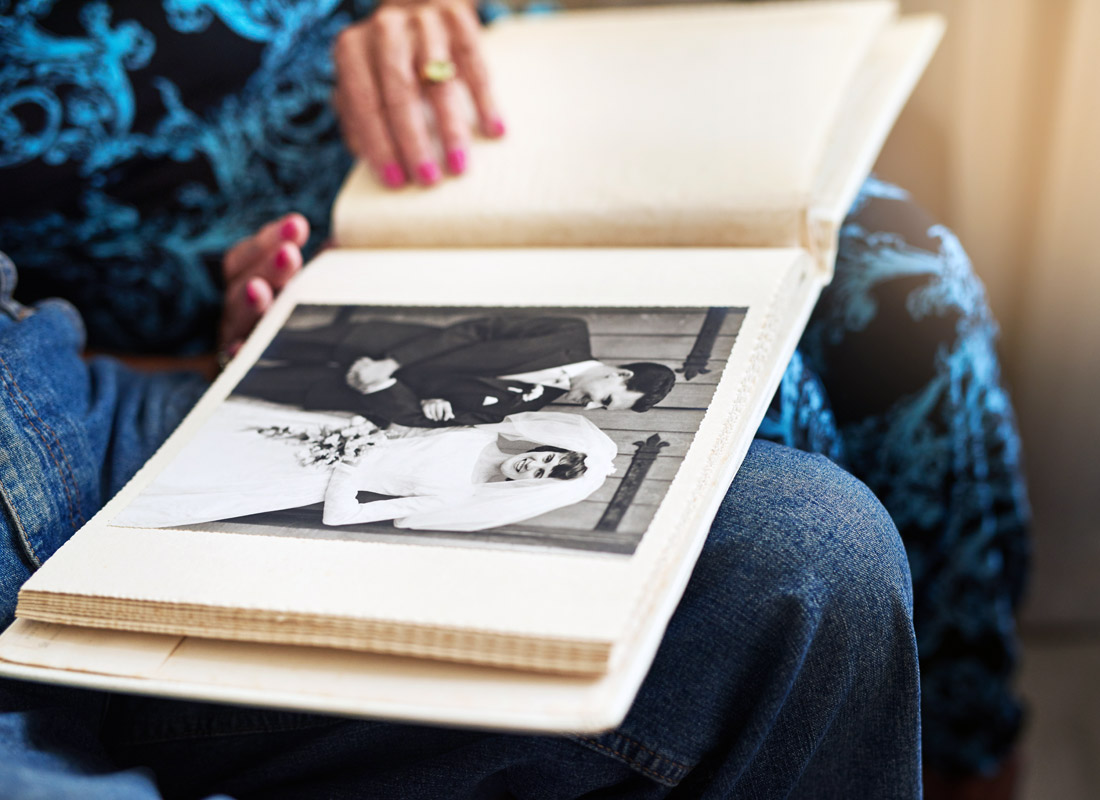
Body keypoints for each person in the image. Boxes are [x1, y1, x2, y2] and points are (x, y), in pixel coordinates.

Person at [0, 0, 1029, 791]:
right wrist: (233, 358)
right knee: (751, 420)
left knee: (910, 301)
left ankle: (963, 743)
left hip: (471, 117)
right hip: (221, 297)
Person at [0, 249, 921, 797]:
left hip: (70, 409)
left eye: (617, 395)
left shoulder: (554, 426)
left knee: (811, 551)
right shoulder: (528, 379)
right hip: (337, 438)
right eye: (616, 383)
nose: (606, 391)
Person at [113, 402, 616, 532]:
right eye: (547, 457)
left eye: (545, 474)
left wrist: (353, 466)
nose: (535, 466)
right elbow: (409, 435)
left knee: (167, 474)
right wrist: (366, 436)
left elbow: (341, 517)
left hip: (314, 471)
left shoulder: (455, 499)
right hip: (327, 432)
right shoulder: (480, 434)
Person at [234, 315, 677, 426]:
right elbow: (472, 332)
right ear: (618, 374)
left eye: (605, 411)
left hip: (343, 389)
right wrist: (392, 361)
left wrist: (386, 384)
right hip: (381, 343)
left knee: (237, 376)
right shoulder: (566, 332)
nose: (593, 408)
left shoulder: (523, 407)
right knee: (257, 336)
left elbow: (420, 420)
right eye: (606, 401)